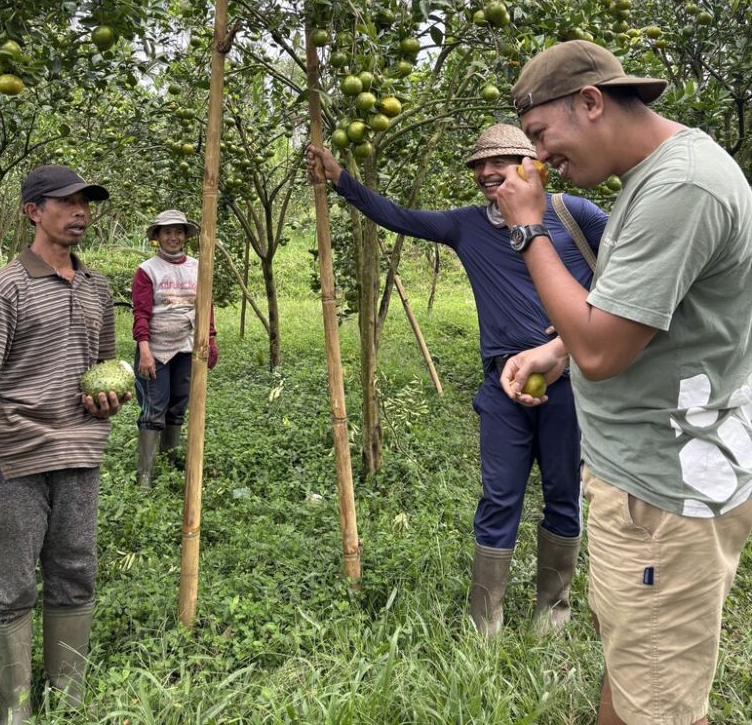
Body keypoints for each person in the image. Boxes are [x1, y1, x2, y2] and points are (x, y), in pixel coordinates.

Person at [495, 41, 752, 725]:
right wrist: (556, 350)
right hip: (642, 482)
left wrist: (529, 230)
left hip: (663, 498)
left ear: (591, 103)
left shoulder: (681, 188)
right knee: (633, 667)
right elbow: (632, 313)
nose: (540, 159)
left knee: (661, 705)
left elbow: (604, 351)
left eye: (542, 136)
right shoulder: (655, 179)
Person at [307, 124, 607, 636]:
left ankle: (552, 611)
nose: (488, 173)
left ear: (530, 163)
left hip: (570, 382)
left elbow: (627, 269)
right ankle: (484, 620)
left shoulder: (573, 214)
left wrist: (574, 335)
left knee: (562, 494)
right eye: (479, 165)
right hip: (502, 386)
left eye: (502, 162)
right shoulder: (466, 226)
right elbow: (398, 217)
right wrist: (341, 180)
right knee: (499, 495)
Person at [0, 164, 130, 723]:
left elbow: (101, 371)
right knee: (13, 585)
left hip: (80, 455)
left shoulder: (96, 288)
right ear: (33, 211)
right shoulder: (6, 288)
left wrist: (107, 398)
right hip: (17, 457)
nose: (80, 211)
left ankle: (68, 698)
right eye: (66, 201)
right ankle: (16, 709)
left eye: (86, 201)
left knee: (76, 569)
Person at [132, 209, 218, 488]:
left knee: (178, 406)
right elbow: (141, 313)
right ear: (157, 237)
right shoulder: (147, 270)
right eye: (167, 232)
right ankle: (145, 477)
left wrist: (211, 339)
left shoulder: (197, 267)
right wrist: (144, 350)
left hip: (187, 346)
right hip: (156, 347)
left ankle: (170, 465)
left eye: (178, 231)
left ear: (185, 237)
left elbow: (206, 306)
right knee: (154, 407)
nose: (173, 237)